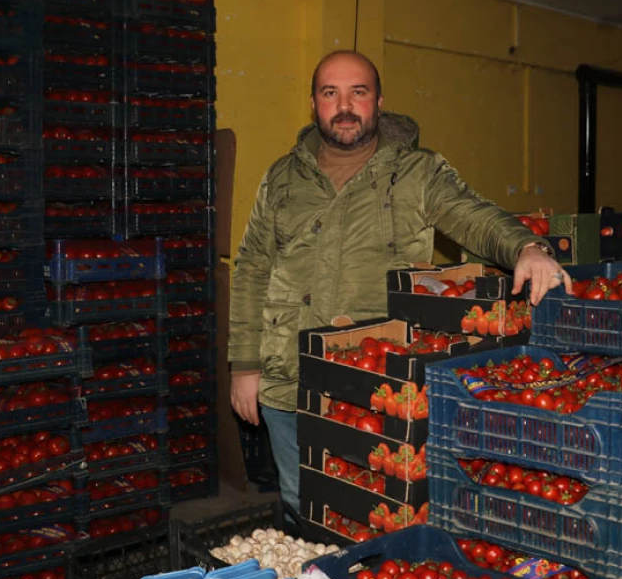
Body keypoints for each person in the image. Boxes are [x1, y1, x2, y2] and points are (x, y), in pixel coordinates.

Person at [228, 50, 571, 514]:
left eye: (358, 92)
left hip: (376, 382)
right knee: (303, 506)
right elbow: (251, 270)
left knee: (378, 511)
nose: (344, 105)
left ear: (379, 102)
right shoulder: (283, 178)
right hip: (289, 376)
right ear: (314, 103)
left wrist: (526, 248)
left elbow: (473, 216)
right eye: (331, 93)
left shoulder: (416, 172)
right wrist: (245, 367)